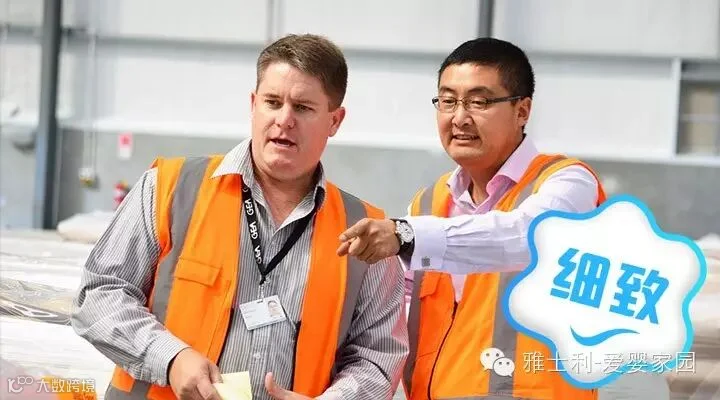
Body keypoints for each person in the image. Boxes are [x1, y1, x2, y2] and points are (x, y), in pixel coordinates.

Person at [71, 33, 408, 400]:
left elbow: (378, 356)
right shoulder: (171, 188)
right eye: (272, 102)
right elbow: (99, 293)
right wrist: (170, 358)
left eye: (303, 107)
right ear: (253, 104)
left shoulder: (364, 231)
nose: (284, 120)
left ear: (335, 121)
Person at [337, 37, 610, 399]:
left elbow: (529, 236)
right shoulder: (427, 205)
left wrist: (407, 236)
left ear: (522, 110)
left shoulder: (567, 183)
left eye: (479, 102)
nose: (460, 117)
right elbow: (390, 325)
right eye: (448, 101)